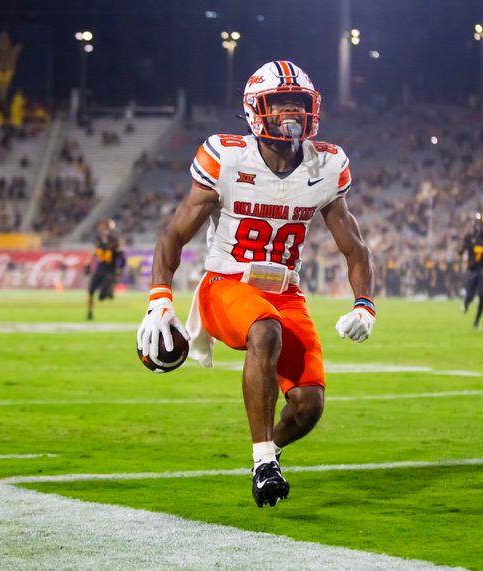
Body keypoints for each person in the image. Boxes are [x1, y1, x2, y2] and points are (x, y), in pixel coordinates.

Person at [136, 60, 374, 507]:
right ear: (253, 110)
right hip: (226, 284)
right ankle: (264, 461)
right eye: (279, 103)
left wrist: (365, 304)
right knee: (265, 329)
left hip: (286, 290)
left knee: (308, 406)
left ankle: (269, 451)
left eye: (298, 104)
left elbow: (355, 246)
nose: (290, 113)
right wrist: (159, 297)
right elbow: (173, 233)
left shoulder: (326, 164)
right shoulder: (226, 156)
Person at [459, 212, 483, 329]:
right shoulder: (469, 238)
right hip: (471, 270)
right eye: (477, 224)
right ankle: (466, 303)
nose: (478, 227)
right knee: (470, 296)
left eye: (481, 224)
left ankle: (476, 321)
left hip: (482, 272)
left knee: (482, 296)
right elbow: (461, 251)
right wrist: (463, 257)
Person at [87, 218, 124, 320]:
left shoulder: (115, 241)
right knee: (90, 290)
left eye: (106, 228)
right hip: (100, 268)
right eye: (103, 228)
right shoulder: (98, 241)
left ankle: (109, 290)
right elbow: (94, 252)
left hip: (110, 271)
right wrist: (88, 264)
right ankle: (89, 312)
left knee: (103, 295)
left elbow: (121, 255)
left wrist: (119, 270)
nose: (104, 230)